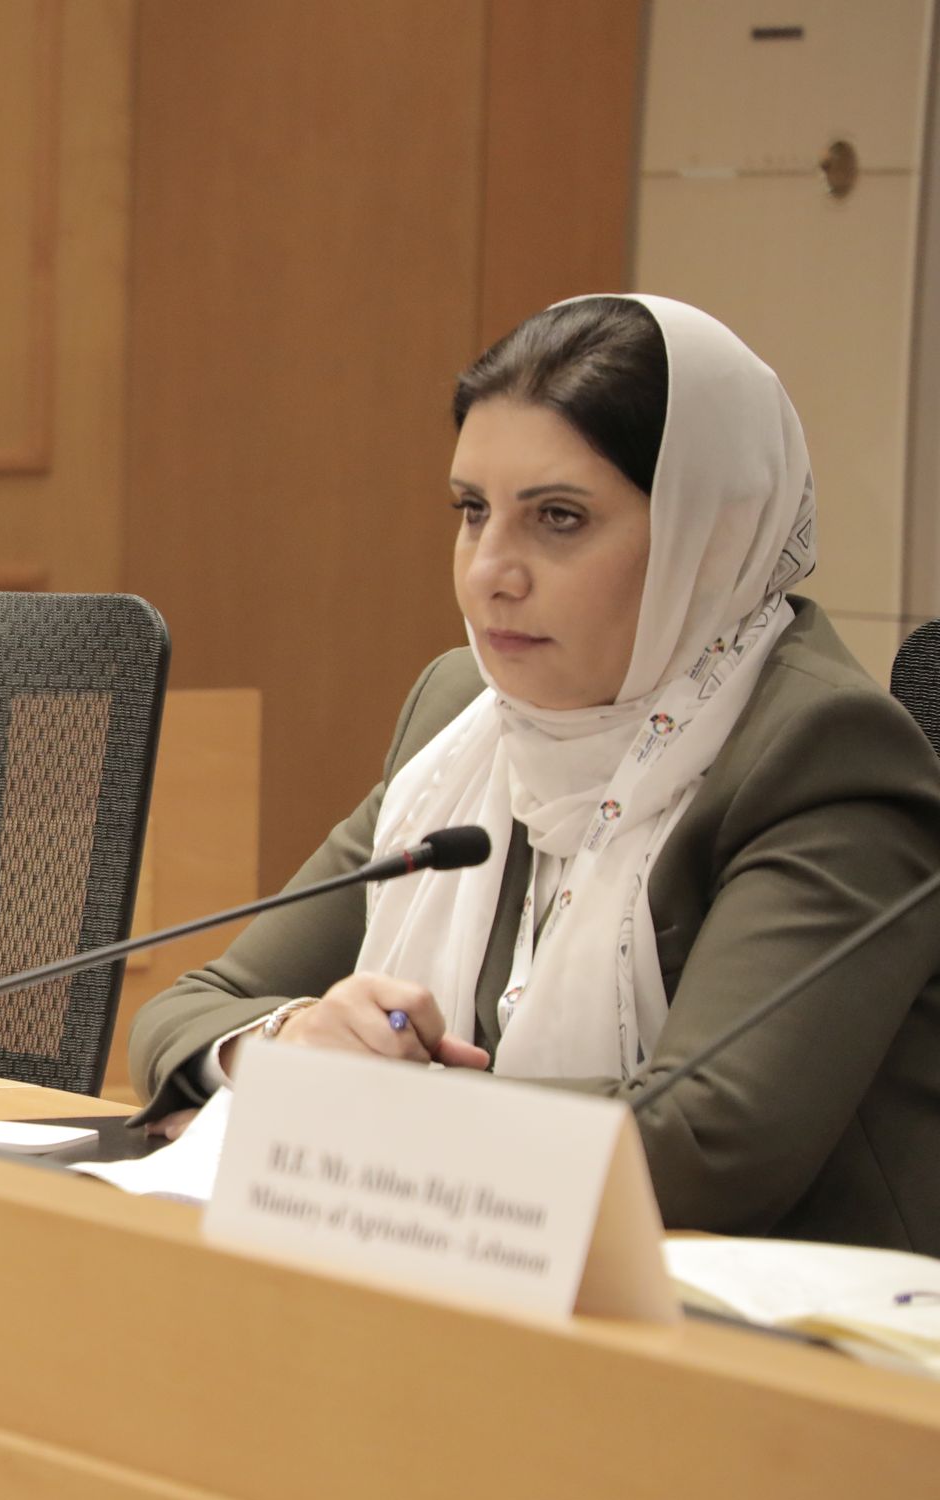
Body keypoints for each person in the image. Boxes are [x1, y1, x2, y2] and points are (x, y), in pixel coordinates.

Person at [130, 295, 940, 1250]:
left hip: (792, 1341)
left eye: (559, 519)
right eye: (473, 511)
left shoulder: (822, 751)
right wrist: (282, 1046)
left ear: (706, 533)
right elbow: (187, 1015)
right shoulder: (465, 716)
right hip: (488, 1283)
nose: (490, 573)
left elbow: (713, 1143)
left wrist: (348, 1120)